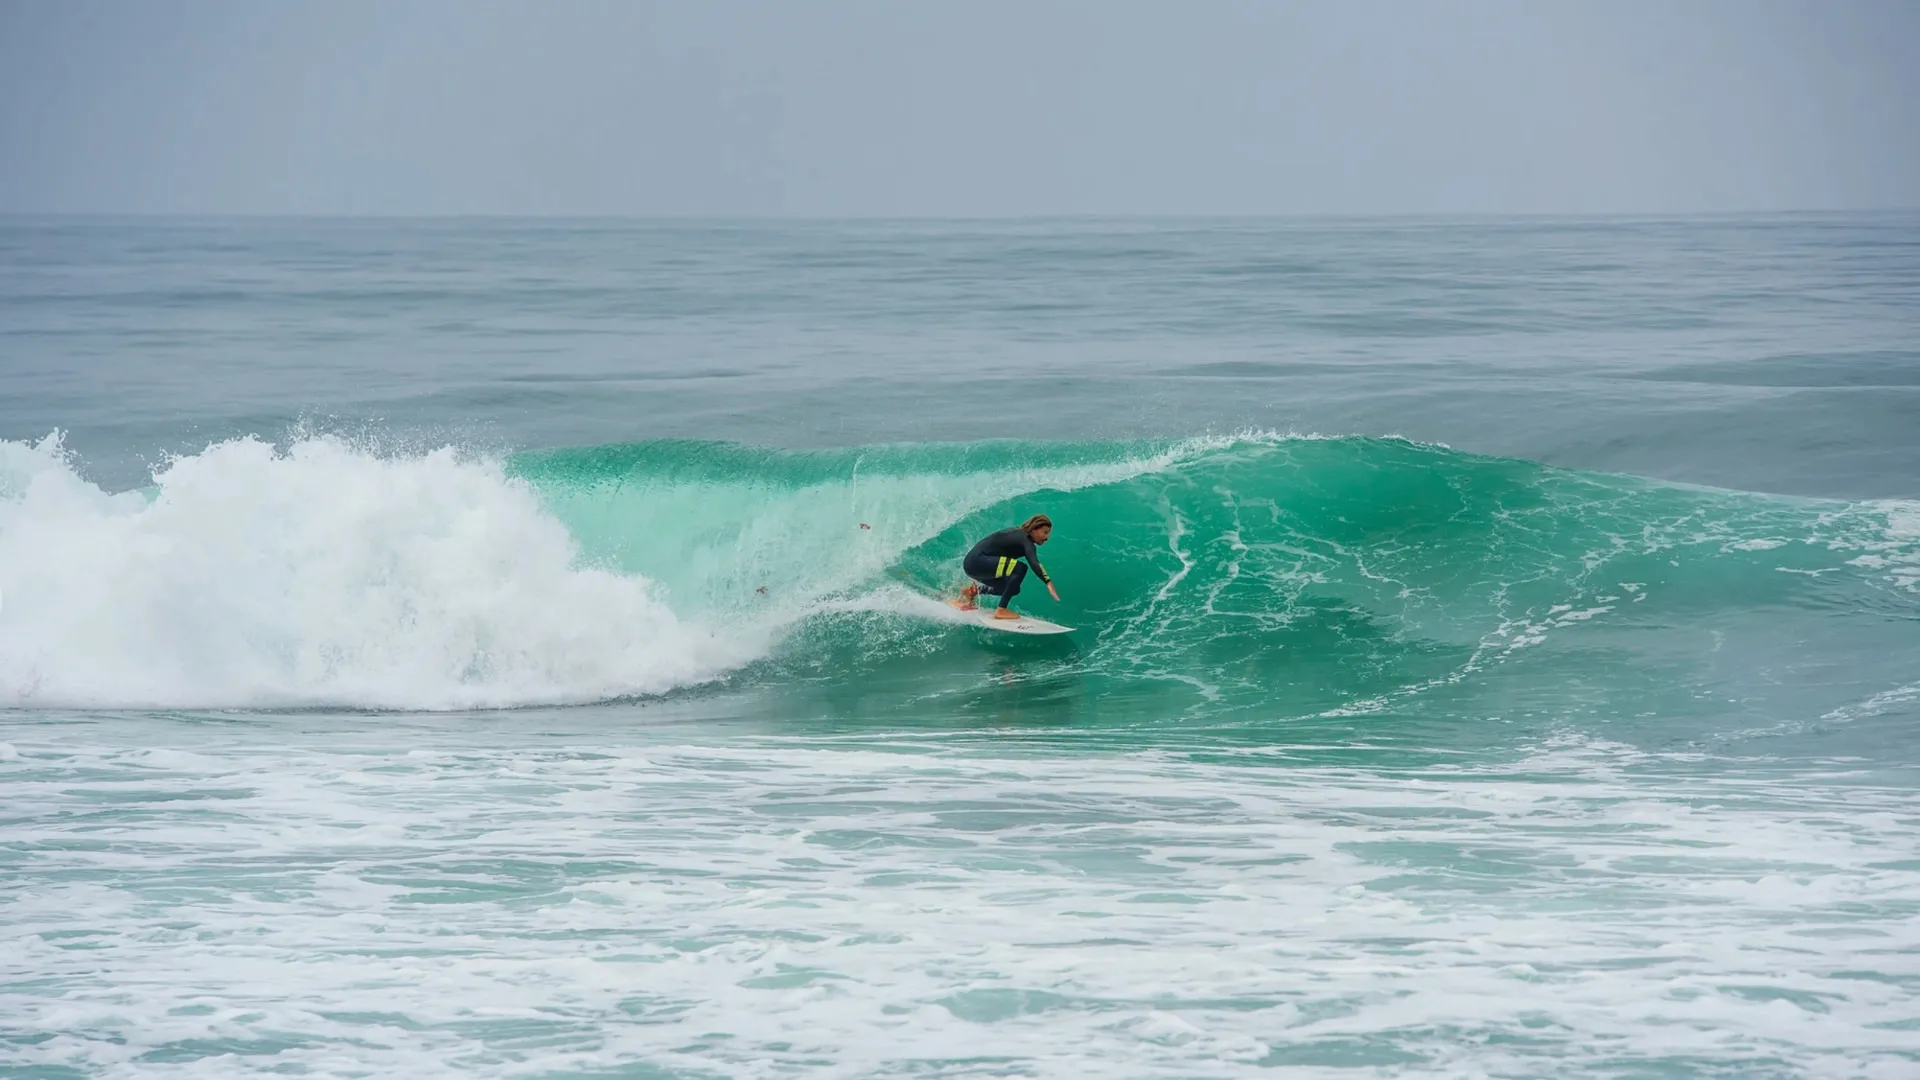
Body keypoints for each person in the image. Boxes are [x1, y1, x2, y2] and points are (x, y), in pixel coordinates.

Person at [954, 514, 1060, 620]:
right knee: (1020, 568)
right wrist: (1048, 582)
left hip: (973, 564)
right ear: (1034, 529)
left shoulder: (1019, 535)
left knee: (1012, 589)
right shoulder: (1024, 539)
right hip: (977, 562)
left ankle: (972, 591)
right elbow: (1034, 563)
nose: (1047, 537)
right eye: (1045, 532)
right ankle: (1001, 610)